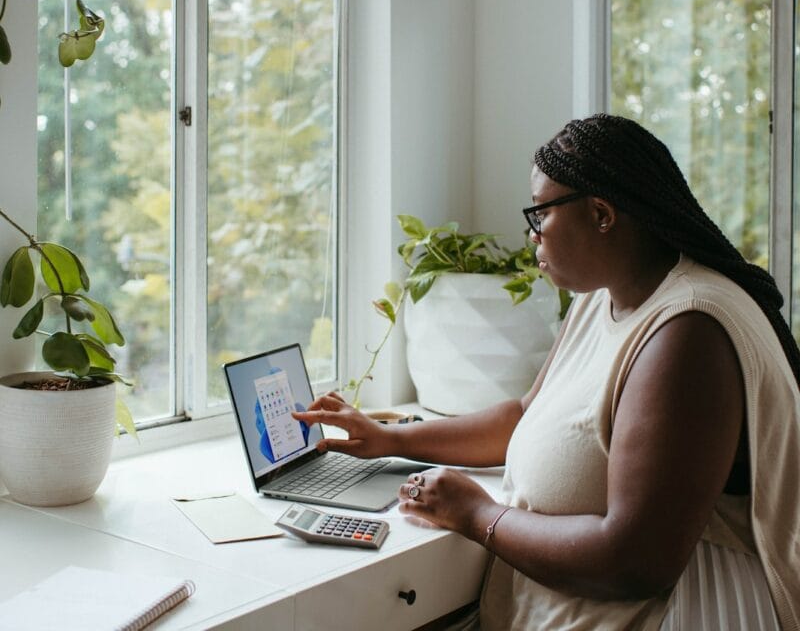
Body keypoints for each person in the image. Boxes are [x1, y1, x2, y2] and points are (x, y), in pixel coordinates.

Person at [293, 114, 800, 630]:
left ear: (601, 214)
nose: (529, 233)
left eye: (539, 214)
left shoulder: (687, 333)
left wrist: (477, 516)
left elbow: (635, 563)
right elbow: (523, 416)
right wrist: (390, 439)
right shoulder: (603, 296)